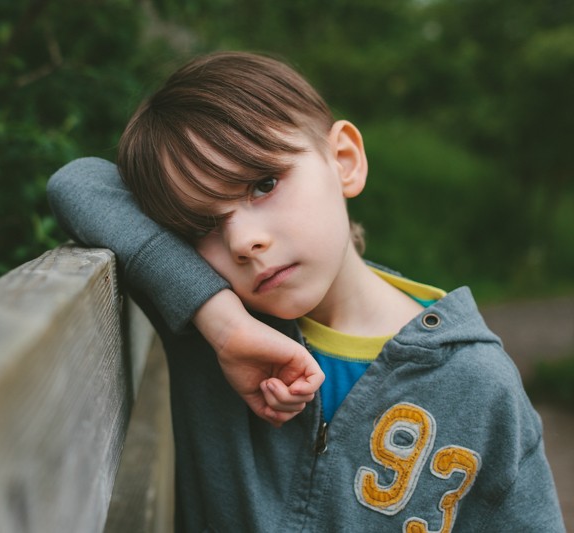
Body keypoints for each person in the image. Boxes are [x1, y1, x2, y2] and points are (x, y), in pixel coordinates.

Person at [48, 52, 564, 532]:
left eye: (264, 184)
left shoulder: (478, 384)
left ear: (343, 160)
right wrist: (223, 323)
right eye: (202, 225)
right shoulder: (207, 327)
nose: (244, 241)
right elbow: (79, 183)